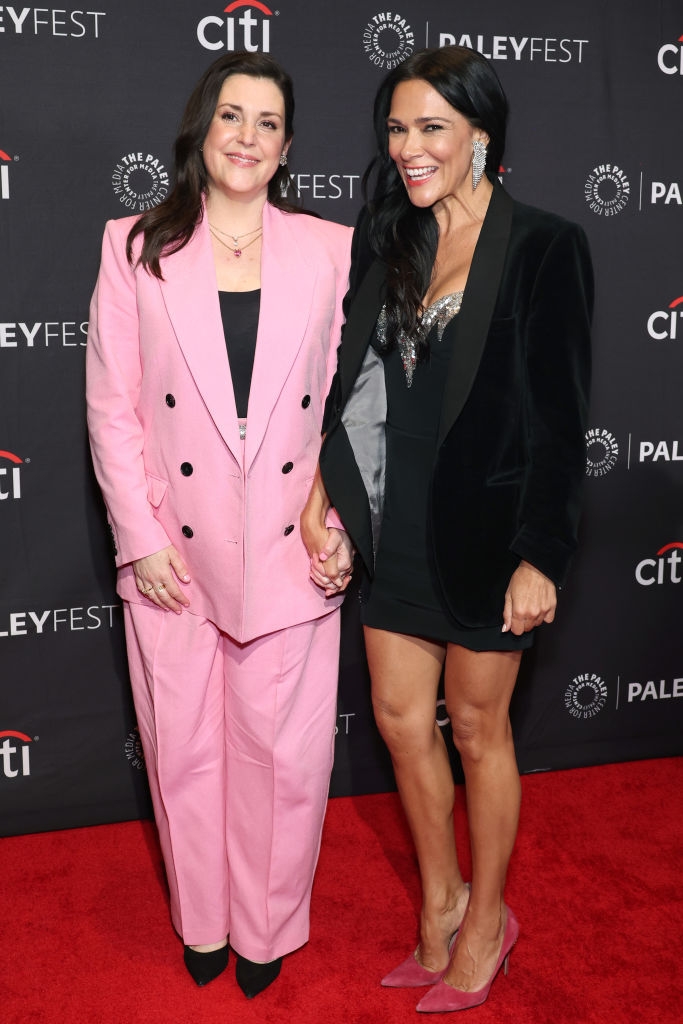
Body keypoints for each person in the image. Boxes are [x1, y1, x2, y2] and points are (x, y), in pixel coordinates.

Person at [301, 45, 592, 1013]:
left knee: (476, 731)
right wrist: (322, 488)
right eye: (396, 128)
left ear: (479, 134)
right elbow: (350, 376)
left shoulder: (544, 245)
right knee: (395, 720)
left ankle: (485, 919)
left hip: (487, 536)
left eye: (431, 127)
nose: (409, 148)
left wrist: (538, 554)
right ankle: (437, 902)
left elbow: (559, 420)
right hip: (397, 523)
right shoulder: (388, 235)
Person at [86, 52, 352, 998]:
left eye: (267, 122)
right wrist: (140, 539)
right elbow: (113, 408)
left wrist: (338, 519)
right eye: (231, 115)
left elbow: (347, 404)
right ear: (203, 128)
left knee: (282, 758)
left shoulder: (329, 248)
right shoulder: (136, 245)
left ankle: (267, 924)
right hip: (172, 553)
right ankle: (203, 920)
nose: (247, 136)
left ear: (286, 147)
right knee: (187, 749)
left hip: (288, 542)